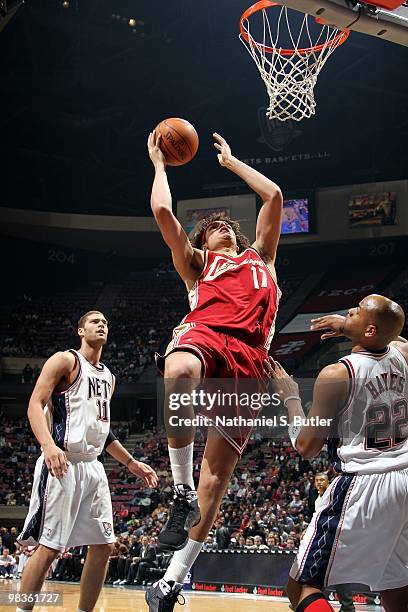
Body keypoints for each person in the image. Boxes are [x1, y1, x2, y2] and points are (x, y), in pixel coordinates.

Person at [146, 130, 283, 610]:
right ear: (204, 239)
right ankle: (178, 489)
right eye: (213, 225)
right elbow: (164, 214)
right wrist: (159, 164)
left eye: (228, 223)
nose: (222, 226)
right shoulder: (198, 264)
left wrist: (231, 162)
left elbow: (273, 196)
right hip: (207, 332)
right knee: (179, 369)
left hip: (251, 361)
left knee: (217, 481)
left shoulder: (261, 258)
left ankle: (170, 581)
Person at [267, 294, 408, 612]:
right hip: (405, 478)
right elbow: (389, 332)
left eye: (355, 311)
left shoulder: (337, 374)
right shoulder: (403, 352)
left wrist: (290, 398)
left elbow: (307, 446)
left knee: (302, 586)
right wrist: (350, 326)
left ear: (369, 330)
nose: (348, 312)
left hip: (364, 482)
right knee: (398, 590)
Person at [16, 310, 158, 612]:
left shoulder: (109, 377)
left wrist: (131, 462)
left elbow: (103, 431)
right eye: (95, 321)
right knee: (49, 548)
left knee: (105, 546)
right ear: (80, 331)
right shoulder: (65, 360)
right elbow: (34, 404)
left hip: (93, 467)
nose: (102, 325)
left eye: (105, 322)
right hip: (62, 461)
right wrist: (48, 446)